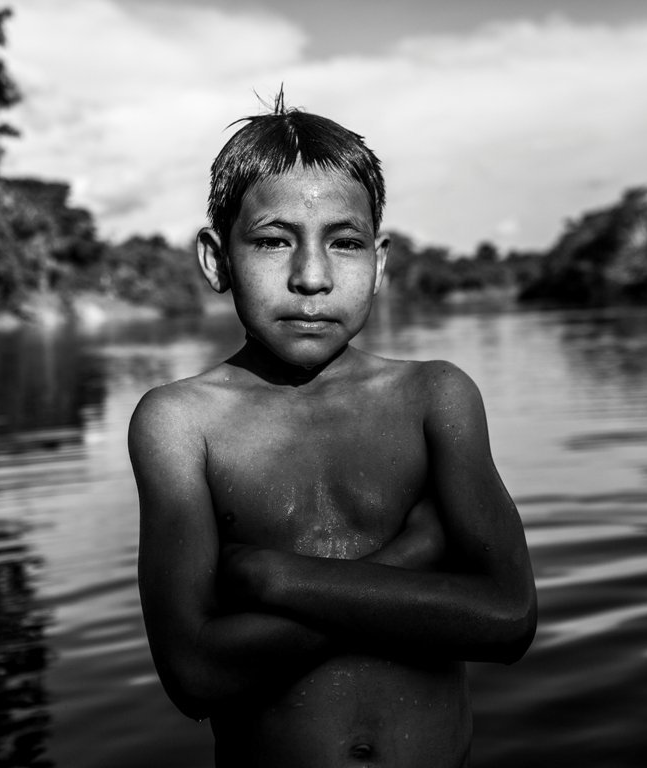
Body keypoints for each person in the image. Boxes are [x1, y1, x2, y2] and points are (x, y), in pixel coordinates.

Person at [128, 93, 537, 768]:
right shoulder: (181, 422)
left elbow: (510, 619)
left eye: (344, 243)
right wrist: (411, 559)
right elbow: (194, 675)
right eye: (272, 241)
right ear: (217, 260)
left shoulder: (434, 397)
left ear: (378, 262)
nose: (312, 278)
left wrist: (279, 578)